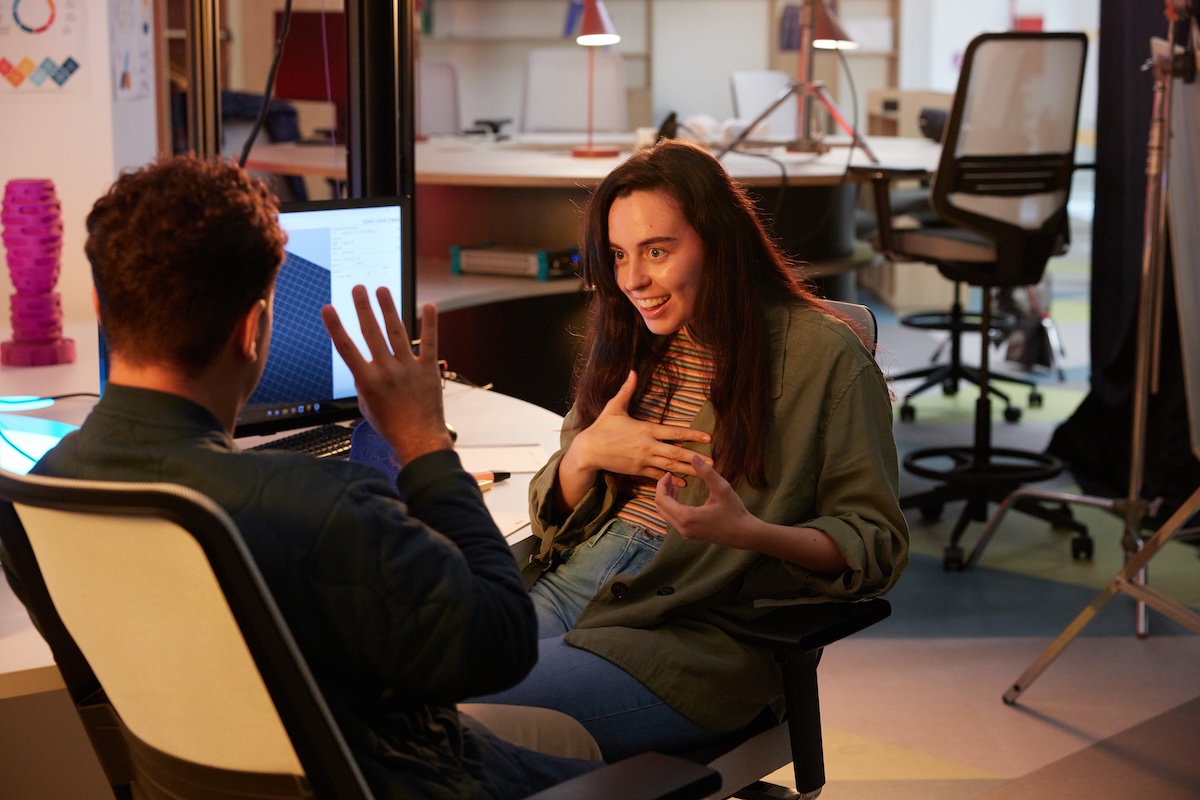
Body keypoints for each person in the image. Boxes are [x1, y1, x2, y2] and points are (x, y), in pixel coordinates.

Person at [9, 156, 600, 799]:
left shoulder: (39, 490)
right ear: (252, 328)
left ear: (99, 305)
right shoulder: (313, 508)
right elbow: (502, 642)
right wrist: (424, 442)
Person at [473, 140, 910, 760]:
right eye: (620, 255)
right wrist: (586, 454)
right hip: (574, 580)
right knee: (399, 684)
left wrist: (748, 532)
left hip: (693, 631)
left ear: (717, 242)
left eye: (657, 250)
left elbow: (876, 545)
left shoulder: (823, 358)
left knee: (466, 714)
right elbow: (554, 506)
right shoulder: (631, 336)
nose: (632, 280)